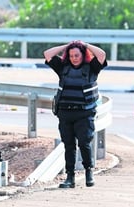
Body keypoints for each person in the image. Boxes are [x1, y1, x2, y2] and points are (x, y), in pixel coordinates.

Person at [43, 40, 107, 188]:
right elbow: (47, 54)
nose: (74, 58)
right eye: (71, 55)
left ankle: (88, 172)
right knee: (69, 146)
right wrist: (67, 46)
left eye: (77, 55)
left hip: (84, 114)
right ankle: (70, 178)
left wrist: (85, 45)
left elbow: (102, 55)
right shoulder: (62, 68)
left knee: (84, 143)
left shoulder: (92, 68)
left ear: (82, 55)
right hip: (65, 113)